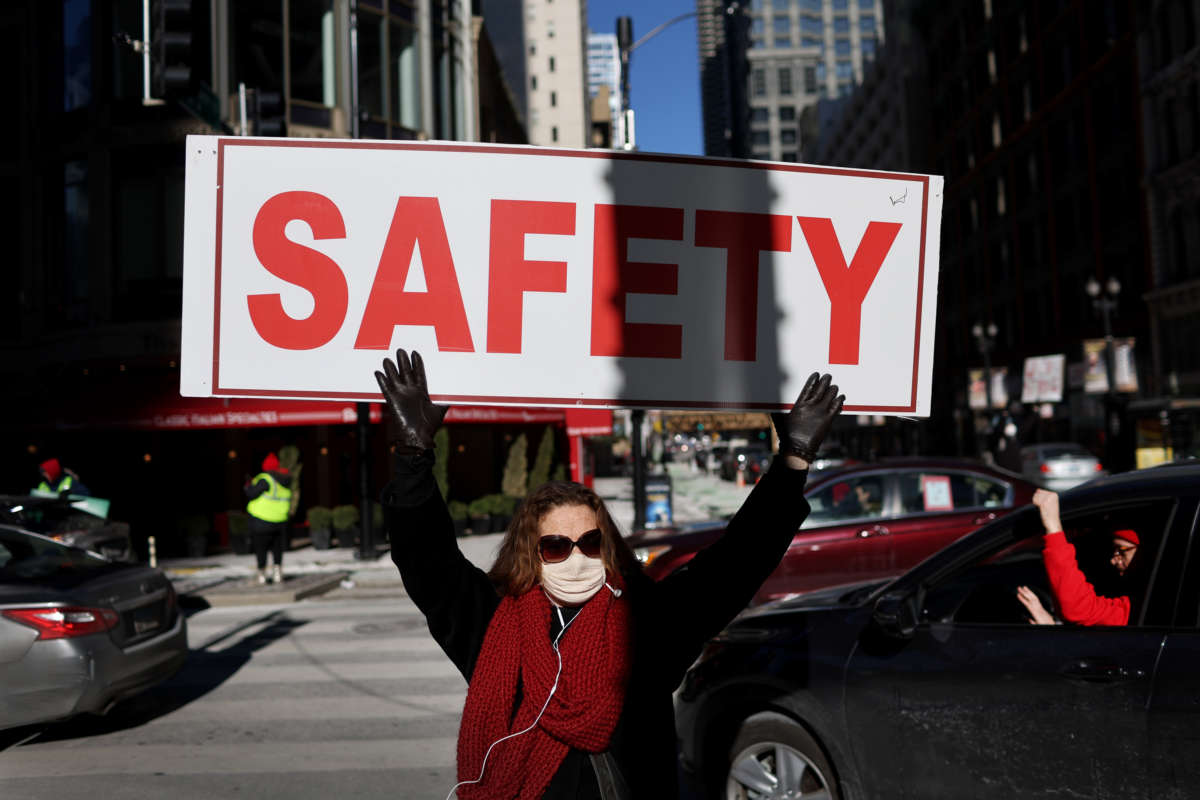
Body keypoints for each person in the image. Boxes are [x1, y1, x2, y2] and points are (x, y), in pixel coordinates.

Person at [375, 349, 843, 799]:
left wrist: (794, 460)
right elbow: (427, 562)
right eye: (556, 546)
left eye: (591, 542)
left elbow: (733, 566)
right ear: (531, 556)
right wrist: (412, 456)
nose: (577, 558)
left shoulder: (647, 624)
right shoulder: (494, 623)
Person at [1017, 488, 1139, 626]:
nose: (1113, 560)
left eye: (1121, 550)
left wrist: (1053, 527)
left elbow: (1079, 609)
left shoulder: (1149, 604)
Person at [245, 452, 293, 585]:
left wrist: (248, 486)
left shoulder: (265, 479)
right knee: (277, 548)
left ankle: (262, 574)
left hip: (262, 520)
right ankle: (278, 573)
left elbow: (251, 494)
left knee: (261, 548)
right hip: (279, 520)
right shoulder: (284, 480)